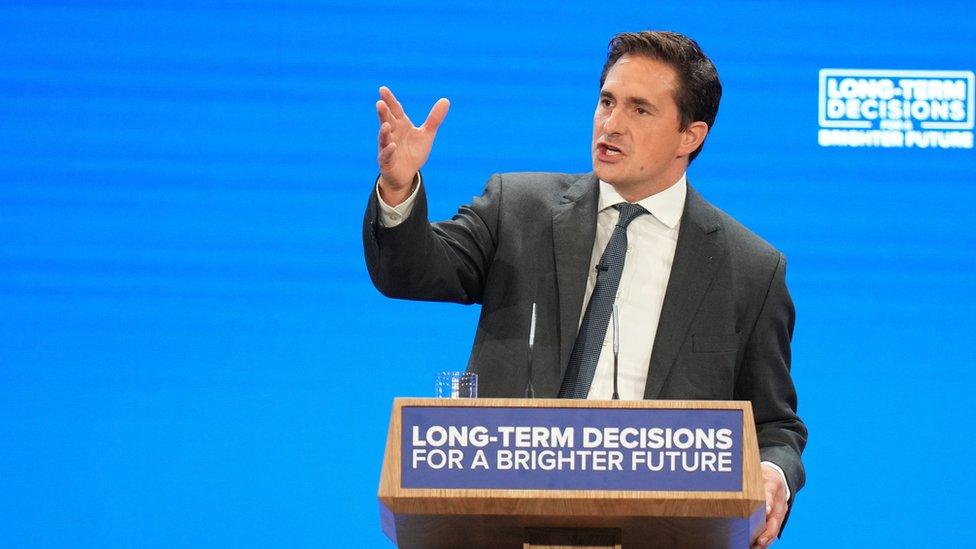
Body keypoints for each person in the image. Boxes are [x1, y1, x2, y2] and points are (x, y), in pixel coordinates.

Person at [363, 31, 806, 547]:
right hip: (498, 522)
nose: (611, 123)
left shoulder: (750, 269)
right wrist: (399, 187)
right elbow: (410, 271)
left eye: (640, 110)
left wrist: (773, 474)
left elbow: (775, 428)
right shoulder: (518, 209)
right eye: (607, 101)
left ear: (691, 135)